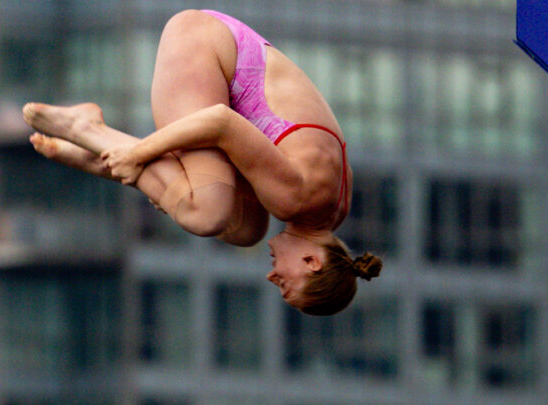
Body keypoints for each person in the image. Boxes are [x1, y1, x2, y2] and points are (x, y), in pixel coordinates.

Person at [22, 9, 381, 315]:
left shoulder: (329, 210)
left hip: (215, 45)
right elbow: (220, 123)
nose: (273, 278)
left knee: (245, 229)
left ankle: (95, 150)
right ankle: (88, 130)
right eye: (286, 285)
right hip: (200, 49)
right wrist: (140, 154)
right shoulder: (296, 198)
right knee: (207, 212)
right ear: (312, 262)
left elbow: (243, 154)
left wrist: (173, 187)